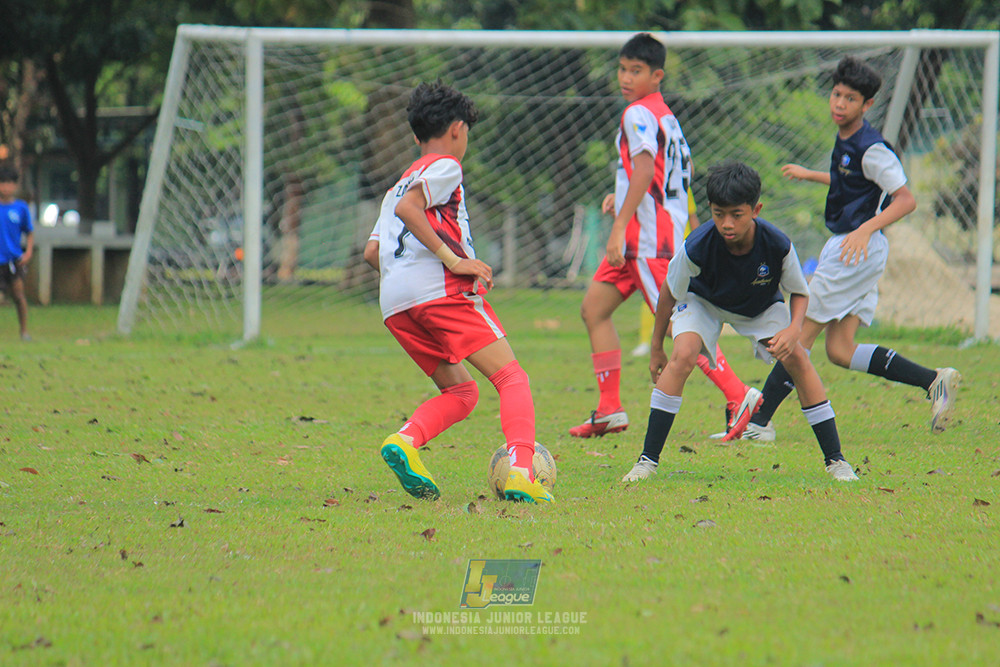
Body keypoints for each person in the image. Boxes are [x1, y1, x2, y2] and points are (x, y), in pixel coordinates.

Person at [730, 56, 959, 442]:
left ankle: (758, 422)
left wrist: (865, 231)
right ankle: (933, 381)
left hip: (856, 250)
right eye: (836, 94)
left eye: (849, 98)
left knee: (797, 335)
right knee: (840, 349)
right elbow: (853, 182)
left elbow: (905, 199)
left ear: (867, 105)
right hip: (856, 249)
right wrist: (812, 175)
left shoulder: (873, 148)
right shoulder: (847, 139)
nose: (839, 103)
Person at [364, 82, 553, 504]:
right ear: (456, 129)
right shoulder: (445, 166)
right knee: (511, 376)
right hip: (439, 293)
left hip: (395, 304)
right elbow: (409, 209)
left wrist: (408, 280)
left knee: (463, 393)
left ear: (415, 135)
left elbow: (371, 251)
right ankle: (522, 471)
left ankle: (406, 441)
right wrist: (452, 262)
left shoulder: (396, 184)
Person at [571, 32, 756, 440]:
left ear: (657, 75)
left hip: (646, 240)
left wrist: (619, 226)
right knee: (594, 309)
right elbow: (666, 178)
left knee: (680, 325)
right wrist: (618, 198)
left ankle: (739, 394)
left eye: (635, 71)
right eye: (622, 69)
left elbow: (643, 169)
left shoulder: (637, 113)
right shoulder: (665, 115)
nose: (625, 77)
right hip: (651, 234)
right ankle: (609, 409)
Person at [623, 162, 857, 482]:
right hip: (703, 303)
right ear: (710, 209)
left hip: (758, 307)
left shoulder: (777, 245)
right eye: (719, 214)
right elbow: (668, 293)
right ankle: (646, 461)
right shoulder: (697, 245)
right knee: (683, 355)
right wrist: (655, 349)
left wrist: (793, 330)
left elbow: (800, 293)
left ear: (756, 209)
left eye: (736, 214)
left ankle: (836, 461)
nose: (727, 224)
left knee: (797, 358)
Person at [0, 164, 33, 341]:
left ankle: (24, 332)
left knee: (19, 297)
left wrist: (28, 253)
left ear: (15, 185)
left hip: (13, 260)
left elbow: (29, 232)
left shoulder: (20, 208)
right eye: (2, 183)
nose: (6, 187)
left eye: (10, 183)